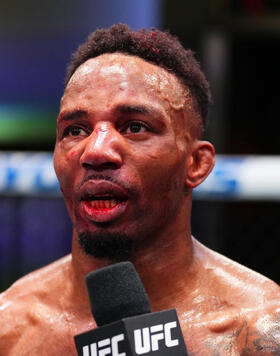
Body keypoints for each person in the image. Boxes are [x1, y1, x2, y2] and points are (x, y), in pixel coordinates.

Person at [0, 23, 279, 356]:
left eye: (134, 127)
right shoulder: (10, 328)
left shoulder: (261, 330)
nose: (96, 151)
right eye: (75, 130)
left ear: (196, 164)